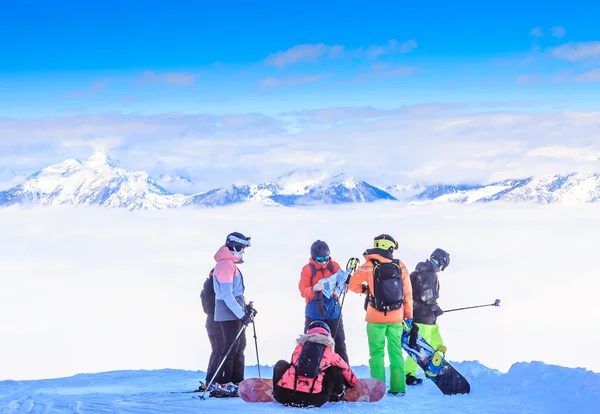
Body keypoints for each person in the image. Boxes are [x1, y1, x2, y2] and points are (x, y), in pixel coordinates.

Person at [348, 234, 413, 395]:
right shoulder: (400, 265)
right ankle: (398, 388)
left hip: (374, 317)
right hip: (396, 317)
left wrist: (366, 290)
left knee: (376, 354)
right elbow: (408, 294)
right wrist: (408, 316)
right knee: (395, 352)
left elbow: (352, 285)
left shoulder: (369, 265)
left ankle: (378, 390)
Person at [212, 231, 258, 394]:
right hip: (228, 314)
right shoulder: (225, 265)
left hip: (233, 312)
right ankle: (224, 384)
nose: (243, 251)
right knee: (230, 349)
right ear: (235, 247)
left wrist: (245, 310)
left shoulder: (229, 264)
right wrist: (242, 314)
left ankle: (237, 382)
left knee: (239, 347)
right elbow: (226, 295)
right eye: (242, 248)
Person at [272, 320, 358, 407]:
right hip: (314, 399)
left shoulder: (299, 348)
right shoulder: (330, 353)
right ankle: (335, 396)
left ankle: (276, 392)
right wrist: (353, 383)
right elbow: (345, 369)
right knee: (334, 369)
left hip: (284, 396)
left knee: (282, 363)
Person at [404, 248, 451, 386]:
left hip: (423, 317)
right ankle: (409, 374)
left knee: (438, 345)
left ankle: (436, 367)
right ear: (442, 263)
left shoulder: (416, 273)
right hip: (424, 318)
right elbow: (427, 296)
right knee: (422, 348)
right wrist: (436, 309)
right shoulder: (430, 275)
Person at [298, 240, 349, 363]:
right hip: (314, 314)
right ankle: (309, 376)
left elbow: (344, 288)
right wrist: (313, 289)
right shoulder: (307, 269)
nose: (323, 262)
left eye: (326, 258)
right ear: (313, 257)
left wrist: (344, 285)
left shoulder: (334, 266)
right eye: (320, 259)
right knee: (311, 345)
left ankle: (345, 377)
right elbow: (303, 290)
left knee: (339, 345)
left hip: (334, 313)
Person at [198, 268, 223, 391]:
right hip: (216, 320)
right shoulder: (214, 288)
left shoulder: (206, 290)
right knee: (219, 350)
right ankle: (212, 381)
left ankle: (210, 381)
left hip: (211, 320)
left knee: (216, 350)